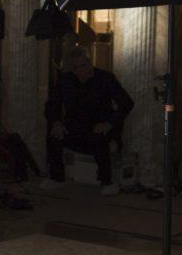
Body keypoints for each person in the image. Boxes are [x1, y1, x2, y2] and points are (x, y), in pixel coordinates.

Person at [44, 47, 134, 194]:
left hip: (101, 124)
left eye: (85, 64)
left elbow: (127, 103)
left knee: (99, 136)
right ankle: (56, 177)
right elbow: (51, 105)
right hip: (75, 125)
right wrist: (56, 121)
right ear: (73, 69)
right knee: (54, 133)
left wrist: (109, 123)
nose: (84, 69)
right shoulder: (66, 81)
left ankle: (107, 181)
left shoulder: (105, 78)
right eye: (78, 67)